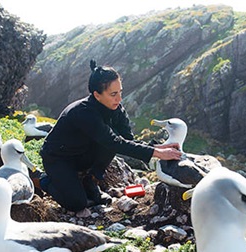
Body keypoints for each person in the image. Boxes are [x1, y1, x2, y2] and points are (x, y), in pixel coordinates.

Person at [39, 60, 183, 212]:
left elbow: (127, 140)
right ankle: (43, 180)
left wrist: (157, 147)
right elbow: (114, 143)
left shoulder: (117, 109)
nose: (119, 99)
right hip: (59, 157)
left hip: (82, 153)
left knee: (111, 141)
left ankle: (90, 180)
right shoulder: (83, 112)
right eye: (113, 94)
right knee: (77, 203)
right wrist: (158, 154)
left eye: (120, 92)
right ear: (97, 95)